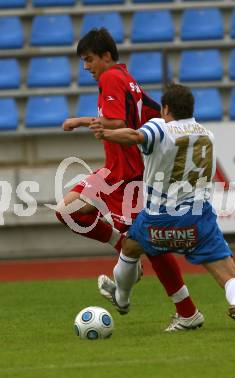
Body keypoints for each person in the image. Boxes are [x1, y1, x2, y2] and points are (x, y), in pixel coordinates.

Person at [56, 28, 199, 328]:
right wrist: (84, 121)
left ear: (106, 56)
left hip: (127, 175)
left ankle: (187, 312)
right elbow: (150, 113)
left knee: (152, 244)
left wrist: (86, 122)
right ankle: (120, 245)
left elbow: (118, 122)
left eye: (89, 59)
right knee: (67, 211)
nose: (87, 67)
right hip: (113, 170)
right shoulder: (127, 79)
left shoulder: (110, 78)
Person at [93, 84, 235, 331]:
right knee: (229, 274)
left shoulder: (160, 127)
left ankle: (121, 298)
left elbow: (135, 136)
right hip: (198, 220)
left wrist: (107, 134)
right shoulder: (207, 134)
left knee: (130, 248)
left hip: (159, 220)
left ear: (165, 109)